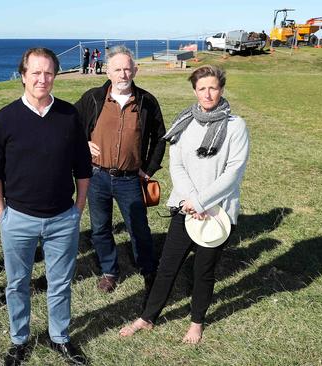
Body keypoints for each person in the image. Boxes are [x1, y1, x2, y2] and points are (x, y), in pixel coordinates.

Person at [119, 65, 250, 344]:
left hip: (218, 212)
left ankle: (196, 322)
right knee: (167, 266)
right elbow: (176, 165)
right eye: (202, 88)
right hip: (185, 207)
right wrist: (191, 200)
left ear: (221, 89)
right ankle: (147, 317)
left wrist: (202, 201)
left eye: (213, 87)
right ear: (194, 91)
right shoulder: (184, 122)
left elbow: (233, 172)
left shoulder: (235, 126)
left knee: (203, 270)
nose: (207, 93)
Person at [0, 47, 92, 366]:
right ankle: (19, 339)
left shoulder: (70, 115)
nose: (42, 79)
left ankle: (59, 336)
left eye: (48, 73)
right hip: (17, 219)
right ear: (23, 76)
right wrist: (1, 212)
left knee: (60, 283)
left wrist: (78, 208)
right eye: (36, 72)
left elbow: (83, 168)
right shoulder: (5, 118)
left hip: (62, 219)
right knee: (17, 284)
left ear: (55, 76)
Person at [74, 45, 166, 301]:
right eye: (117, 69)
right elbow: (70, 125)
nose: (123, 74)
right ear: (108, 71)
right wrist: (81, 144)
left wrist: (148, 169)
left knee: (138, 227)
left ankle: (148, 270)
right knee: (100, 228)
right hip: (97, 176)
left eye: (127, 68)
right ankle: (109, 271)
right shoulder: (93, 98)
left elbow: (160, 138)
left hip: (130, 179)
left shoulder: (146, 101)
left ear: (135, 70)